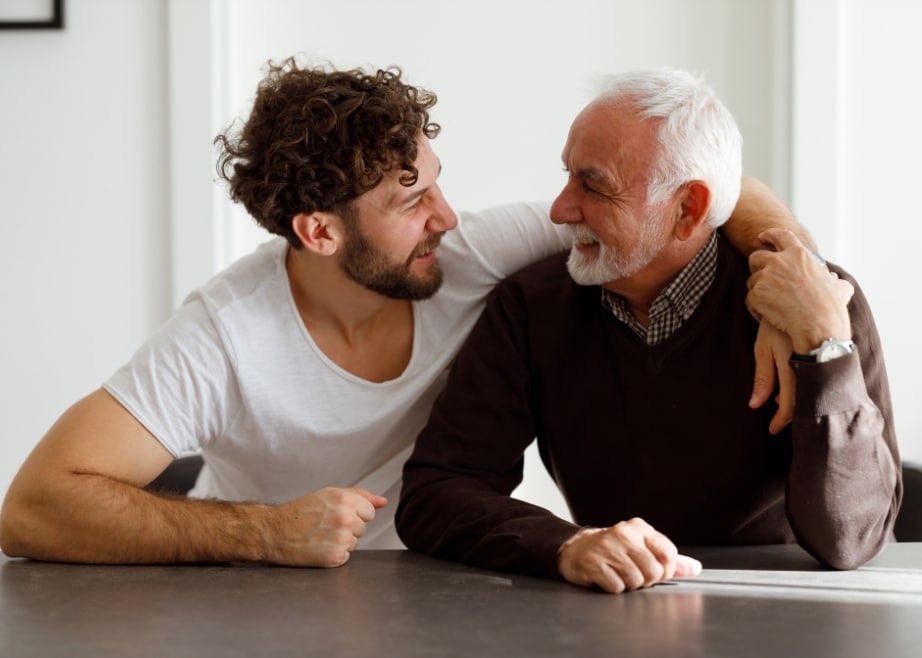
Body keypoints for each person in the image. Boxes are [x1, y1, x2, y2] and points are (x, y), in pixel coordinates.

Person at [0, 58, 812, 568]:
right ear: (319, 232)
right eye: (410, 198)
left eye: (436, 180)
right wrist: (263, 534)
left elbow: (705, 196)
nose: (448, 217)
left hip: (449, 582)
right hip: (269, 607)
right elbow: (33, 505)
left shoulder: (469, 255)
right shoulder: (222, 336)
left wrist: (788, 282)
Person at [395, 68, 900, 593]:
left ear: (689, 208)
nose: (560, 209)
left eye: (593, 185)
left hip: (780, 610)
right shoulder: (531, 307)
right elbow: (438, 490)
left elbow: (851, 541)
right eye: (567, 175)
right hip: (611, 609)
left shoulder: (819, 304)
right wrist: (565, 545)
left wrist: (825, 351)